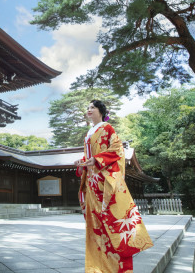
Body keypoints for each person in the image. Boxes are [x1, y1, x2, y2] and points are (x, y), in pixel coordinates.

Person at [74, 100, 153, 273]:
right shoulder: (89, 132)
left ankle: (116, 267)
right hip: (92, 183)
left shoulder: (107, 128)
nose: (89, 110)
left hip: (104, 182)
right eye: (87, 107)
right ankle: (96, 266)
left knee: (110, 222)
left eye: (92, 107)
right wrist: (83, 163)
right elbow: (89, 156)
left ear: (101, 111)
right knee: (94, 224)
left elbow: (118, 150)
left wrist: (96, 159)